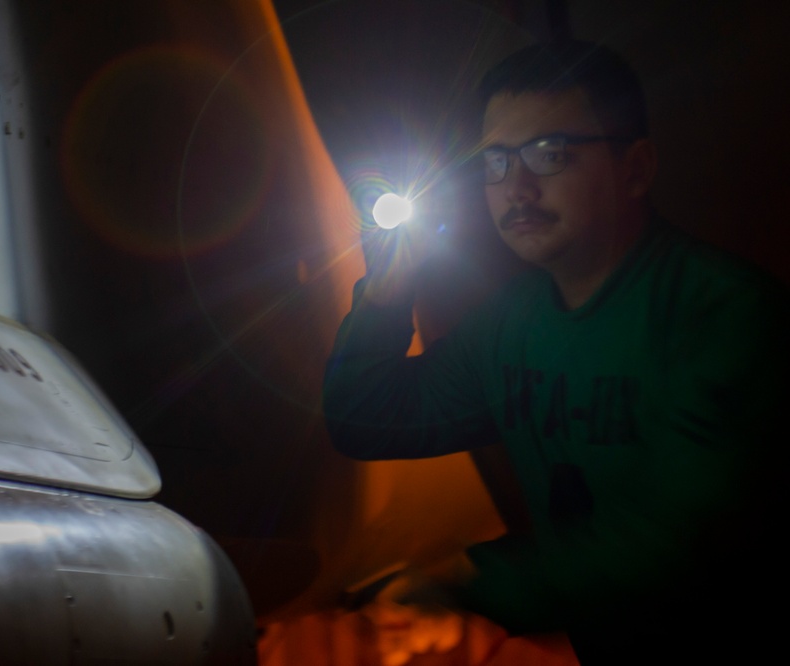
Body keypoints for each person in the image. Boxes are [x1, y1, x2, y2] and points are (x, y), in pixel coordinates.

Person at [322, 39, 788, 664]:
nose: (515, 188)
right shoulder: (512, 321)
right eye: (494, 161)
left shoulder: (726, 315)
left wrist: (467, 579)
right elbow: (364, 420)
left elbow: (674, 543)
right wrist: (383, 294)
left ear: (636, 168)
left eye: (551, 154)